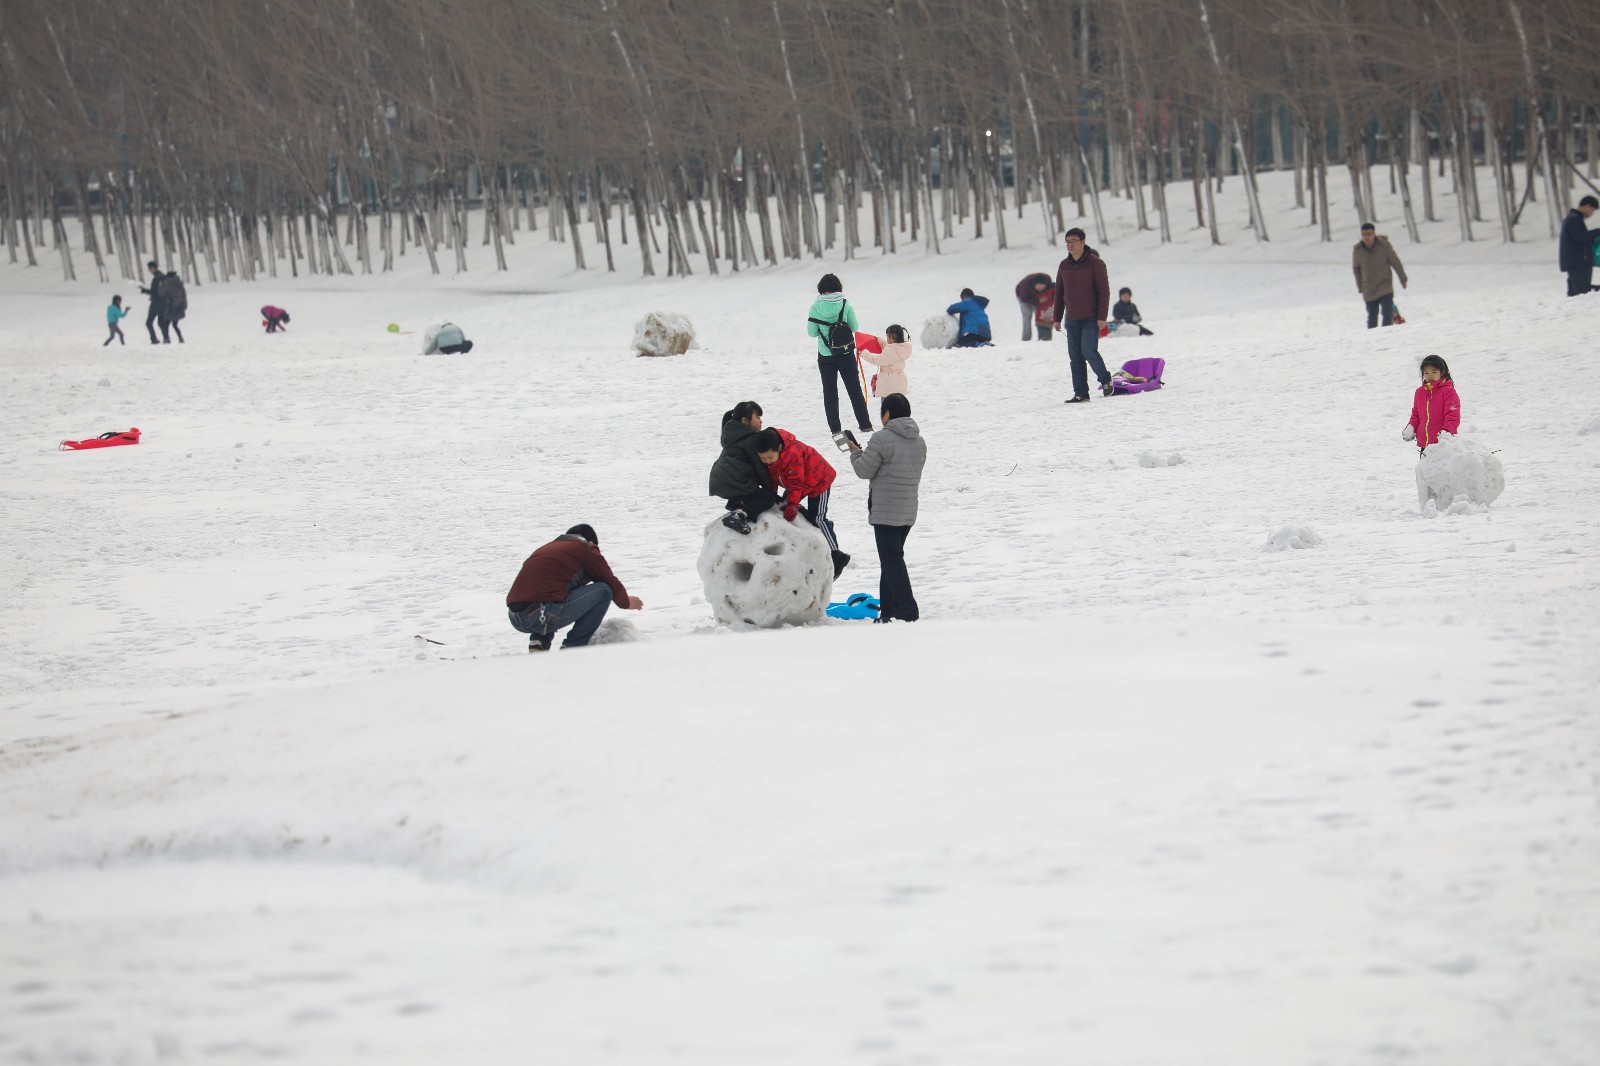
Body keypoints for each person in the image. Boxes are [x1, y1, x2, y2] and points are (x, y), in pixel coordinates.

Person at [847, 393, 926, 623]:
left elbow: (864, 471)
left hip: (885, 511)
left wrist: (855, 452)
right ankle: (888, 612)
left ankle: (906, 611)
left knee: (892, 561)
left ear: (888, 413)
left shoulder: (881, 439)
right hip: (908, 510)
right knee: (890, 560)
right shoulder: (919, 441)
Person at [506, 523, 642, 652]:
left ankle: (539, 643)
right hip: (539, 614)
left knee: (556, 592)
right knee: (604, 591)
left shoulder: (548, 550)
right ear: (591, 541)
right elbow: (609, 580)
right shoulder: (584, 548)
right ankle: (573, 646)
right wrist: (626, 602)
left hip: (516, 617)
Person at [755, 427, 849, 578]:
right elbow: (772, 479)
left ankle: (837, 555)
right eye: (763, 459)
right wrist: (773, 496)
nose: (767, 461)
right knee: (793, 509)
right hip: (802, 483)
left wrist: (793, 503)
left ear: (779, 448)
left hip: (820, 479)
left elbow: (796, 483)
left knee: (818, 517)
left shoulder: (792, 454)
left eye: (770, 458)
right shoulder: (772, 455)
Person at [1052, 227, 1113, 403]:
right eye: (1067, 242)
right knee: (1075, 357)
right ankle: (1081, 393)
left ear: (1083, 242)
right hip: (1071, 319)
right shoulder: (1064, 265)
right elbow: (1059, 292)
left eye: (1074, 241)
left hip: (1091, 318)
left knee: (1088, 350)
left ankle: (1105, 380)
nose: (1070, 245)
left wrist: (1102, 316)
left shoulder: (1096, 264)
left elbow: (1104, 292)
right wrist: (1057, 318)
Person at [806, 273, 872, 436]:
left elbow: (811, 332)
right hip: (845, 352)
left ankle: (835, 429)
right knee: (854, 390)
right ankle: (865, 425)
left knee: (829, 392)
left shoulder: (815, 307)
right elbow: (855, 326)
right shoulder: (845, 304)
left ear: (821, 289)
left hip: (825, 355)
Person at [709, 401, 778, 534]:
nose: (761, 421)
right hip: (735, 479)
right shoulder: (751, 439)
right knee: (766, 499)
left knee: (750, 494)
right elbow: (760, 469)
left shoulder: (732, 435)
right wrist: (772, 493)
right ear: (745, 420)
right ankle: (739, 516)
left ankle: (736, 503)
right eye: (757, 417)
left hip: (720, 479)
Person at [1353, 222, 1408, 328]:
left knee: (1386, 314)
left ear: (1374, 234)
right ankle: (1373, 342)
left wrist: (1403, 279)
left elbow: (1395, 262)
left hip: (1385, 285)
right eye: (1364, 234)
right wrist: (1359, 285)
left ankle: (1387, 337)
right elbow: (1356, 269)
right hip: (1368, 288)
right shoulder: (1358, 250)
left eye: (1369, 234)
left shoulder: (1384, 245)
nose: (1366, 237)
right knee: (1372, 318)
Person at [1402, 355, 1460, 454]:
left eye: (1434, 372)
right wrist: (1411, 427)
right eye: (1426, 373)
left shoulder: (1448, 391)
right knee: (1426, 469)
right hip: (1424, 444)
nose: (1430, 375)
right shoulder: (1420, 392)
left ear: (1442, 372)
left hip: (1442, 444)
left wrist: (1446, 432)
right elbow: (1416, 414)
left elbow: (1452, 415)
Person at [1559, 195, 1598, 297]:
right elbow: (1580, 237)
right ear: (1587, 206)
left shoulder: (1574, 218)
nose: (1592, 213)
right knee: (1581, 294)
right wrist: (1597, 232)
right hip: (1579, 263)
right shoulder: (1574, 219)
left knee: (1575, 295)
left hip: (1576, 263)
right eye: (1592, 210)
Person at [860, 323, 912, 397]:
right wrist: (880, 341)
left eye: (887, 336)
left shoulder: (890, 351)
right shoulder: (902, 349)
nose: (886, 338)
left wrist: (864, 353)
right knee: (897, 406)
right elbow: (891, 349)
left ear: (891, 337)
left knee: (887, 406)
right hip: (900, 382)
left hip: (889, 385)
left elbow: (877, 360)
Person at [1015, 272, 1055, 341]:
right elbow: (1024, 298)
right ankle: (1026, 338)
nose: (1040, 289)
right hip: (1023, 297)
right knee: (1027, 315)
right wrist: (1038, 301)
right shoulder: (1025, 286)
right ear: (1035, 285)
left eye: (1042, 288)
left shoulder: (1048, 280)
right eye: (1038, 287)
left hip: (1037, 297)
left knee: (1040, 315)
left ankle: (1042, 336)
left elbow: (1053, 289)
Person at [137, 261, 167, 344]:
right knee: (161, 322)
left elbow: (154, 292)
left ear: (153, 268)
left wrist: (143, 290)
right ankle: (166, 338)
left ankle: (154, 339)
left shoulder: (156, 278)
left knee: (149, 322)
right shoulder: (164, 276)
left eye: (149, 268)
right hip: (164, 303)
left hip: (156, 303)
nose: (149, 270)